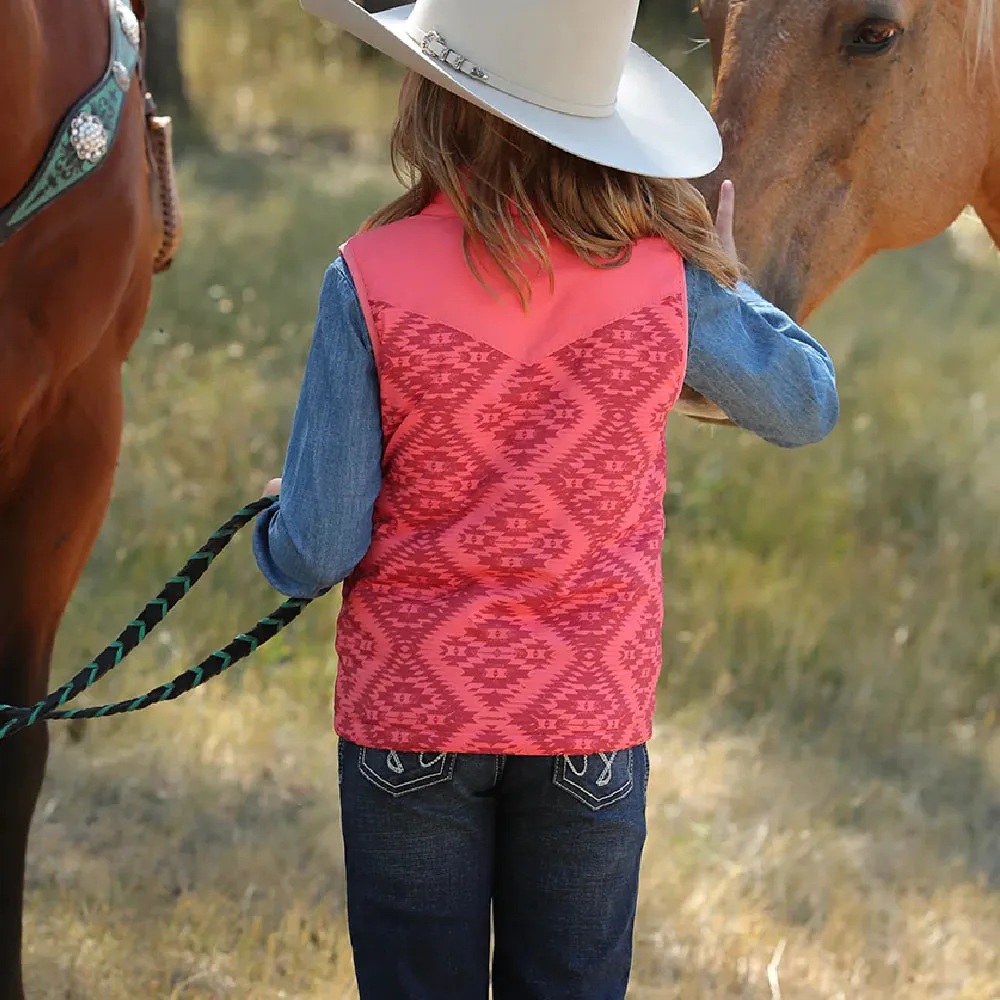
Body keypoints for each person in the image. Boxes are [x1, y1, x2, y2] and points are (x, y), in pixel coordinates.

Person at [253, 1, 839, 997]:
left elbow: (318, 548)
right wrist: (720, 273)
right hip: (589, 719)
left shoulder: (367, 277)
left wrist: (277, 523)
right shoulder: (664, 276)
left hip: (413, 714)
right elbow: (802, 405)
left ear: (434, 99)